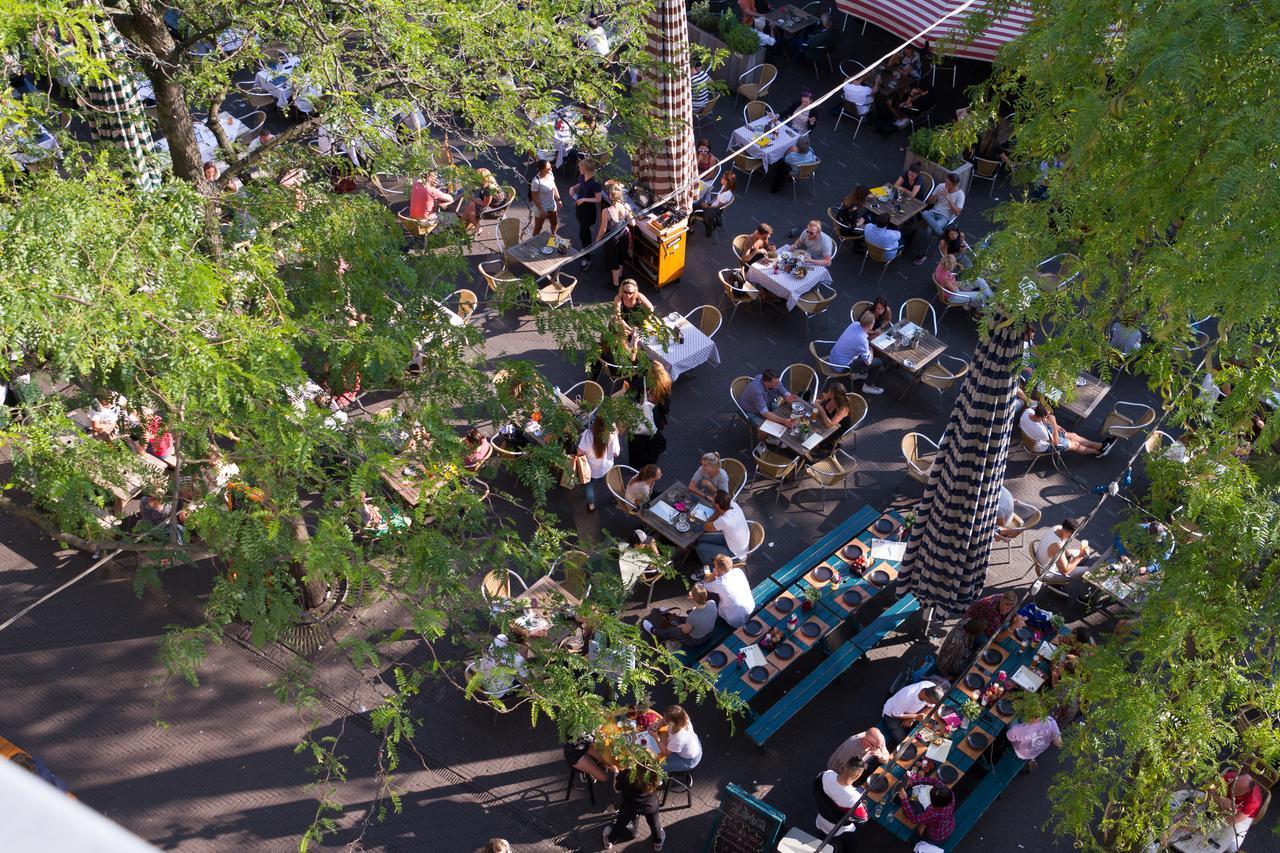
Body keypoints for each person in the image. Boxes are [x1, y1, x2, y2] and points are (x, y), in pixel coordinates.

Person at [813, 757, 870, 852]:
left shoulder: (826, 774)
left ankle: (822, 842)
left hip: (821, 818)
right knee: (852, 846)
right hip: (838, 829)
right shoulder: (854, 798)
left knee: (822, 836)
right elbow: (864, 818)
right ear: (857, 776)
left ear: (844, 766)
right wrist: (863, 804)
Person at [602, 766, 665, 851]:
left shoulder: (627, 774)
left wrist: (616, 772)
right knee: (654, 824)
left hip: (630, 804)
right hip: (650, 805)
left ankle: (609, 841)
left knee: (621, 823)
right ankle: (658, 842)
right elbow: (660, 783)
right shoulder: (656, 773)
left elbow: (617, 789)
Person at [1020, 402, 1110, 456]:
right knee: (1075, 445)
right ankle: (1098, 452)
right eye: (1048, 416)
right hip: (1039, 446)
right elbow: (1055, 442)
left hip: (1031, 436)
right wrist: (1054, 424)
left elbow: (1040, 422)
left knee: (1073, 436)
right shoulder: (1042, 431)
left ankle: (1100, 445)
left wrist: (1052, 424)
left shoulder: (1028, 412)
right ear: (1043, 417)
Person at [828, 312, 885, 394]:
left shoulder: (854, 324)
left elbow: (863, 333)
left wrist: (874, 333)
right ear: (871, 325)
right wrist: (871, 350)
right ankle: (868, 386)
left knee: (860, 351)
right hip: (841, 367)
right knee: (879, 362)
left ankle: (857, 374)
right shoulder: (862, 341)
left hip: (832, 358)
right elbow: (868, 362)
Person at [627, 362, 671, 469]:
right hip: (655, 418)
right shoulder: (665, 385)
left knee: (635, 443)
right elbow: (665, 409)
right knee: (653, 442)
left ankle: (635, 465)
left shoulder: (642, 382)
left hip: (639, 416)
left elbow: (630, 393)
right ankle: (649, 463)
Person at [914, 173, 965, 264]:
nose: (945, 185)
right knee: (925, 213)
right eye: (946, 182)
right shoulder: (941, 186)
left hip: (945, 217)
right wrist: (937, 195)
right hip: (933, 212)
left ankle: (923, 254)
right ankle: (943, 235)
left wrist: (948, 199)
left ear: (954, 185)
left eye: (948, 184)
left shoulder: (960, 195)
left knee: (929, 229)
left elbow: (957, 212)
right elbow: (929, 202)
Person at [646, 583, 719, 645]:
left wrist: (680, 626)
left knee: (672, 630)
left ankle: (654, 631)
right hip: (709, 633)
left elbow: (685, 631)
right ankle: (671, 616)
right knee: (685, 619)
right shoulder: (712, 602)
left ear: (692, 597)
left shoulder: (693, 616)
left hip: (695, 640)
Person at [576, 415, 620, 512]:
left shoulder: (587, 435)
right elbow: (616, 453)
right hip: (607, 466)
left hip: (591, 469)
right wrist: (616, 434)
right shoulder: (612, 435)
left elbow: (579, 452)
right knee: (610, 482)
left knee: (589, 487)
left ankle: (591, 505)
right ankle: (617, 497)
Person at [737, 368, 801, 435]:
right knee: (764, 430)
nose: (778, 384)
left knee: (783, 415)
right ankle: (764, 441)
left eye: (778, 381)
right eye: (776, 383)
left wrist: (788, 396)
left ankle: (775, 436)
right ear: (767, 382)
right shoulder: (757, 391)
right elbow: (764, 413)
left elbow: (781, 388)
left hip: (765, 404)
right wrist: (784, 421)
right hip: (749, 412)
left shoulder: (769, 379)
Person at [698, 492, 751, 568]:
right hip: (735, 543)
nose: (712, 499)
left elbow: (706, 527)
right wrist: (718, 511)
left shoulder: (724, 520)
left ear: (717, 505)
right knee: (701, 539)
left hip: (736, 555)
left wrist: (715, 513)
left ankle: (711, 571)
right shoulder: (733, 504)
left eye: (713, 499)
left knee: (700, 548)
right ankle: (708, 556)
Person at [597, 183, 635, 289]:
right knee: (621, 256)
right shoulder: (626, 207)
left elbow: (603, 229)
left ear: (610, 196)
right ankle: (621, 275)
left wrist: (597, 239)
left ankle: (616, 284)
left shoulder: (606, 211)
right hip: (624, 235)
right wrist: (630, 212)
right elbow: (633, 224)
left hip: (612, 239)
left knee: (614, 261)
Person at [701, 552, 753, 627]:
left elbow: (705, 586)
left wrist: (713, 574)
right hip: (749, 608)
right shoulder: (738, 571)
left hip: (734, 619)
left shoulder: (720, 583)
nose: (714, 568)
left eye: (715, 567)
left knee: (710, 595)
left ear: (719, 570)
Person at [898, 777, 956, 843]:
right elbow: (935, 780)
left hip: (937, 835)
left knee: (917, 829)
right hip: (949, 825)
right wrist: (914, 782)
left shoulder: (934, 813)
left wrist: (904, 799)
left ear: (933, 803)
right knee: (918, 807)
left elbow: (914, 819)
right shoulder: (950, 795)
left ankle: (915, 841)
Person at [569, 159, 603, 270]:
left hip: (588, 211)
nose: (578, 169)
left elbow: (598, 199)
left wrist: (584, 199)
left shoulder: (595, 182)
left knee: (583, 234)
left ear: (586, 168)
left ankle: (587, 258)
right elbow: (581, 184)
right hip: (580, 208)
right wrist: (573, 187)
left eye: (580, 167)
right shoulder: (582, 176)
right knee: (584, 232)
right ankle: (586, 250)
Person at [812, 381, 852, 455]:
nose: (828, 392)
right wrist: (819, 402)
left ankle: (817, 451)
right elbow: (821, 402)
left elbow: (830, 426)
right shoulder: (829, 396)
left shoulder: (843, 408)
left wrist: (821, 410)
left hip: (836, 429)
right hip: (825, 421)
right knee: (809, 426)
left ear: (834, 395)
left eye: (830, 391)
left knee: (813, 438)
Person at [659, 705, 703, 772]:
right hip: (694, 747)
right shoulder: (684, 718)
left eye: (666, 720)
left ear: (674, 722)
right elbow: (666, 721)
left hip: (688, 760)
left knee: (659, 766)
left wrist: (655, 736)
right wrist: (659, 724)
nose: (663, 720)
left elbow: (666, 752)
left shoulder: (678, 738)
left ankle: (658, 780)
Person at [827, 728, 891, 772]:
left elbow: (886, 759)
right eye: (874, 746)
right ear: (864, 739)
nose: (877, 748)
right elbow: (837, 769)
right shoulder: (851, 747)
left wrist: (881, 756)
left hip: (861, 765)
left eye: (879, 746)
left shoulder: (878, 740)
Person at [458, 168, 500, 233]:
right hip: (495, 203)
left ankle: (478, 228)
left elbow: (485, 204)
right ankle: (461, 223)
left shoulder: (488, 190)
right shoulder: (491, 180)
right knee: (471, 204)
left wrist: (472, 198)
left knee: (471, 213)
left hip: (494, 209)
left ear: (483, 179)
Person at [693, 172, 736, 237]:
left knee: (692, 208)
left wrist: (707, 206)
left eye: (723, 177)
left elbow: (717, 207)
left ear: (727, 181)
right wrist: (708, 203)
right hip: (711, 206)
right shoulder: (724, 186)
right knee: (698, 202)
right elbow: (717, 198)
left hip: (711, 211)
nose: (721, 178)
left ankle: (690, 227)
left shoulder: (726, 195)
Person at [529, 159, 561, 236]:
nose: (551, 169)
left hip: (551, 204)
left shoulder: (550, 174)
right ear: (542, 170)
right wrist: (542, 210)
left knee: (554, 223)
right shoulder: (536, 182)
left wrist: (558, 199)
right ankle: (533, 244)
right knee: (538, 228)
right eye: (548, 168)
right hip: (541, 207)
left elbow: (554, 187)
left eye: (550, 167)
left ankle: (553, 239)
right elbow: (535, 198)